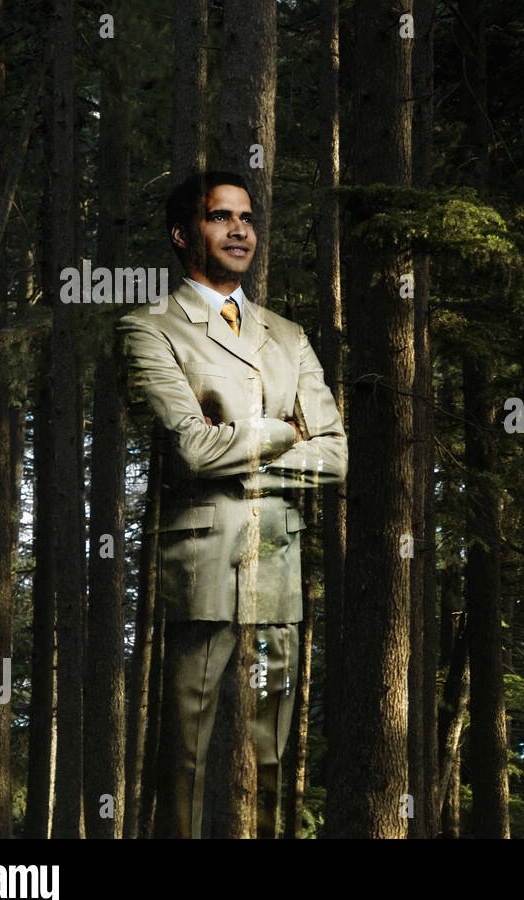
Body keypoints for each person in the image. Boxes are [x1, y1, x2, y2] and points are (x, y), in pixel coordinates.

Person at [118, 171, 347, 838]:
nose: (241, 229)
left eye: (247, 217)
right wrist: (281, 431)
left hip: (279, 559)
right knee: (184, 752)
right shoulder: (149, 328)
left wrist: (240, 448)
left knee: (272, 750)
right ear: (184, 233)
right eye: (221, 217)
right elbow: (190, 451)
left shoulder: (289, 336)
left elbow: (335, 456)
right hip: (200, 562)